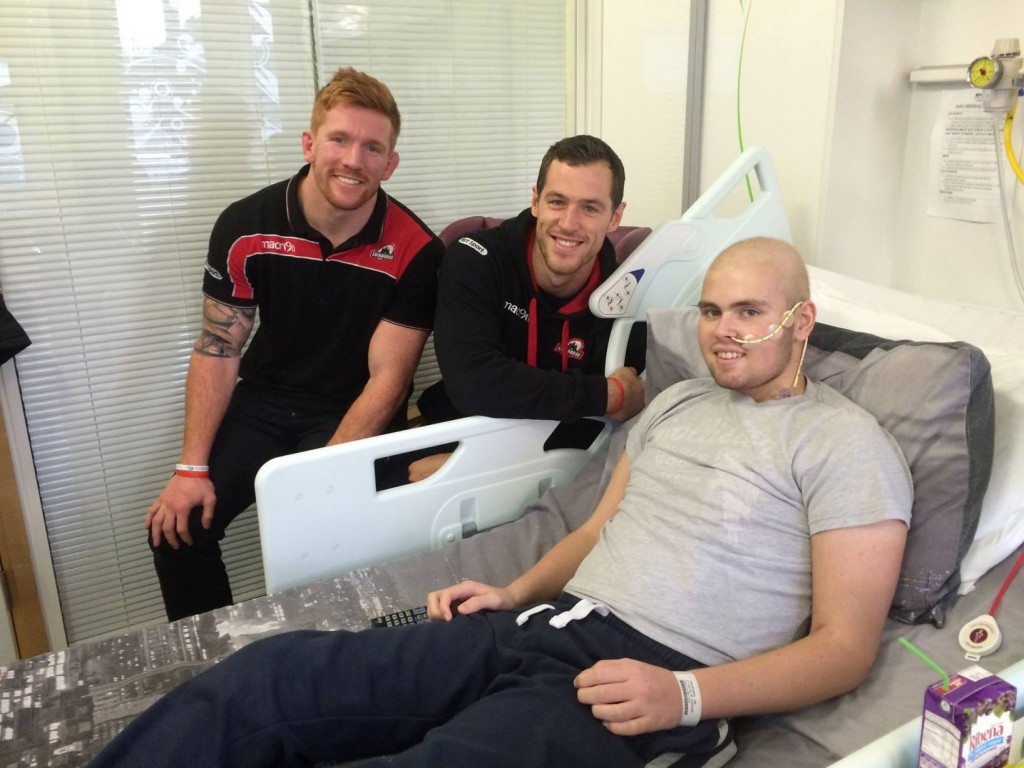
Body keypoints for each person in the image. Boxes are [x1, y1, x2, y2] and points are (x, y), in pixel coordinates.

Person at [93, 238, 912, 768]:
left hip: (647, 682)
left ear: (801, 320)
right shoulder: (675, 405)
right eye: (709, 310)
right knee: (277, 675)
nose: (721, 331)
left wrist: (686, 697)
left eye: (748, 313)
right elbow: (597, 526)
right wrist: (514, 593)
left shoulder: (846, 445)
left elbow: (844, 648)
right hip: (540, 628)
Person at [145, 67, 444, 621]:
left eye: (372, 147)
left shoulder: (416, 248)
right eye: (340, 139)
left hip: (350, 409)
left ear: (390, 162)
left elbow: (389, 379)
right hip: (263, 402)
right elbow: (219, 347)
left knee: (324, 540)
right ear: (310, 144)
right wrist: (191, 469)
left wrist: (320, 479)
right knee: (176, 529)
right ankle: (219, 669)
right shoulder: (244, 225)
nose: (354, 159)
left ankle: (322, 667)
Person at [410, 135, 646, 481]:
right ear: (536, 201)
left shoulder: (627, 295)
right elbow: (473, 382)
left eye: (590, 208)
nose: (569, 222)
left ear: (615, 216)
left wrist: (484, 466)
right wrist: (605, 393)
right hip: (457, 428)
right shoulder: (475, 258)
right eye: (557, 201)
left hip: (561, 457)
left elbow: (619, 417)